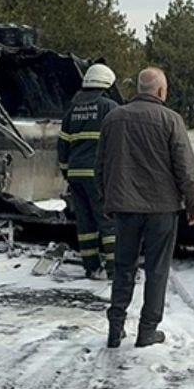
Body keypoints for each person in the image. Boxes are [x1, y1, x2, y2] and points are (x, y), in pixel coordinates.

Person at [96, 67, 194, 348]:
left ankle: (115, 327)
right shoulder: (171, 120)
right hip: (162, 208)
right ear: (160, 91)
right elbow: (185, 168)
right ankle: (147, 331)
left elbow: (101, 165)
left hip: (125, 207)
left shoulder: (113, 118)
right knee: (157, 270)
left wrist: (107, 200)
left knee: (123, 266)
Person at [58, 63, 120, 279]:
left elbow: (62, 145)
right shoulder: (109, 107)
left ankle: (91, 267)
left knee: (85, 223)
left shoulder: (72, 109)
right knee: (108, 221)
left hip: (75, 174)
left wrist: (66, 172)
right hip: (97, 175)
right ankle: (115, 270)